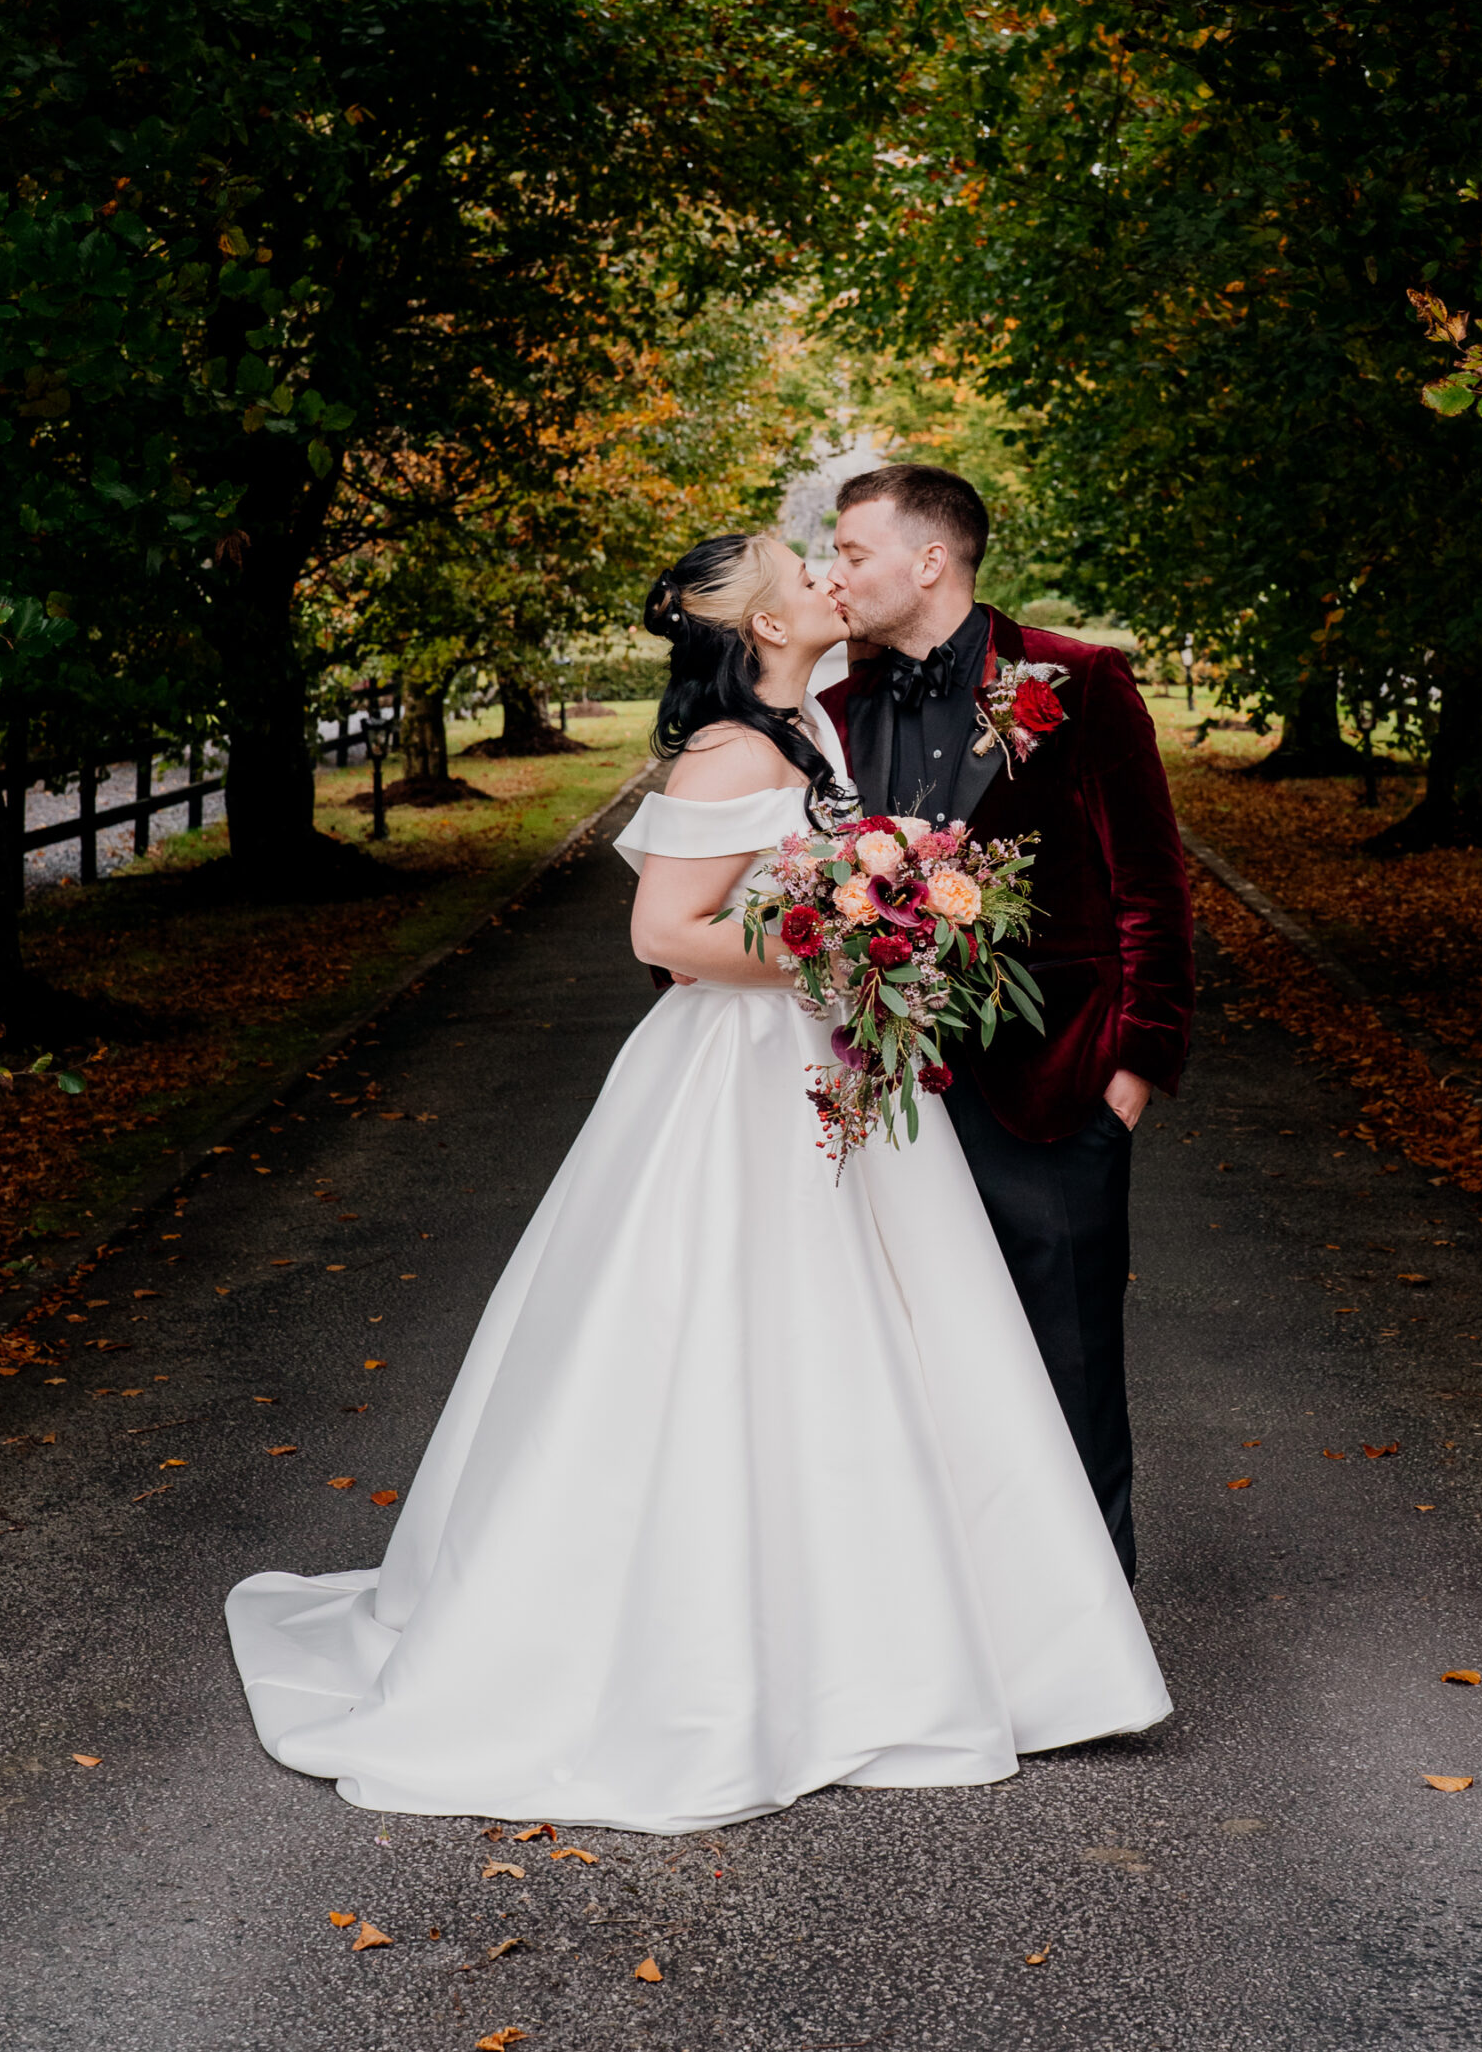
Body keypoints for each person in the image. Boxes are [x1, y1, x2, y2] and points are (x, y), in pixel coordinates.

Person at [224, 530, 1170, 1832]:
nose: (832, 580)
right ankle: (717, 1650)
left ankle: (909, 1629)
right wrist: (842, 946)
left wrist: (875, 923)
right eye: (808, 571)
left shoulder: (808, 735)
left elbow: (814, 884)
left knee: (874, 1345)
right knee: (728, 1336)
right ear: (766, 627)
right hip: (737, 1073)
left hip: (830, 1068)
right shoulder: (730, 750)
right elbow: (664, 937)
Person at [822, 465, 1194, 1584]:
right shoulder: (834, 707)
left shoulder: (1074, 681)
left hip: (1054, 1086)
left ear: (929, 560)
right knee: (903, 1358)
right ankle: (948, 1608)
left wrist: (1133, 1071)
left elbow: (1152, 886)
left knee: (1072, 1367)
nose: (834, 571)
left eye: (851, 551)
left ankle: (1090, 1623)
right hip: (885, 1090)